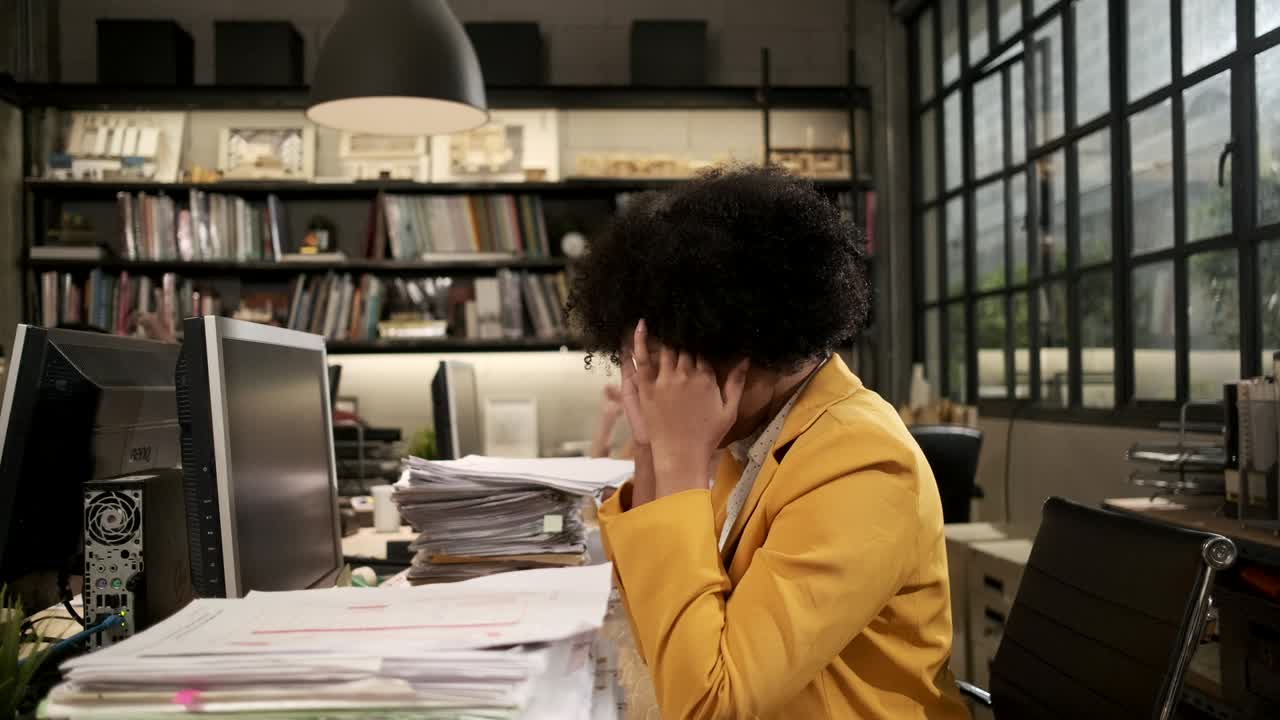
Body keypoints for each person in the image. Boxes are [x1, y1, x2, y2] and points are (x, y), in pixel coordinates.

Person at [567, 165, 969, 719]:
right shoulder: (760, 437)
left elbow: (710, 703)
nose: (651, 388)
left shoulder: (863, 464)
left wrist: (680, 455)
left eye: (666, 366)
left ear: (739, 344)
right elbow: (657, 623)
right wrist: (652, 448)